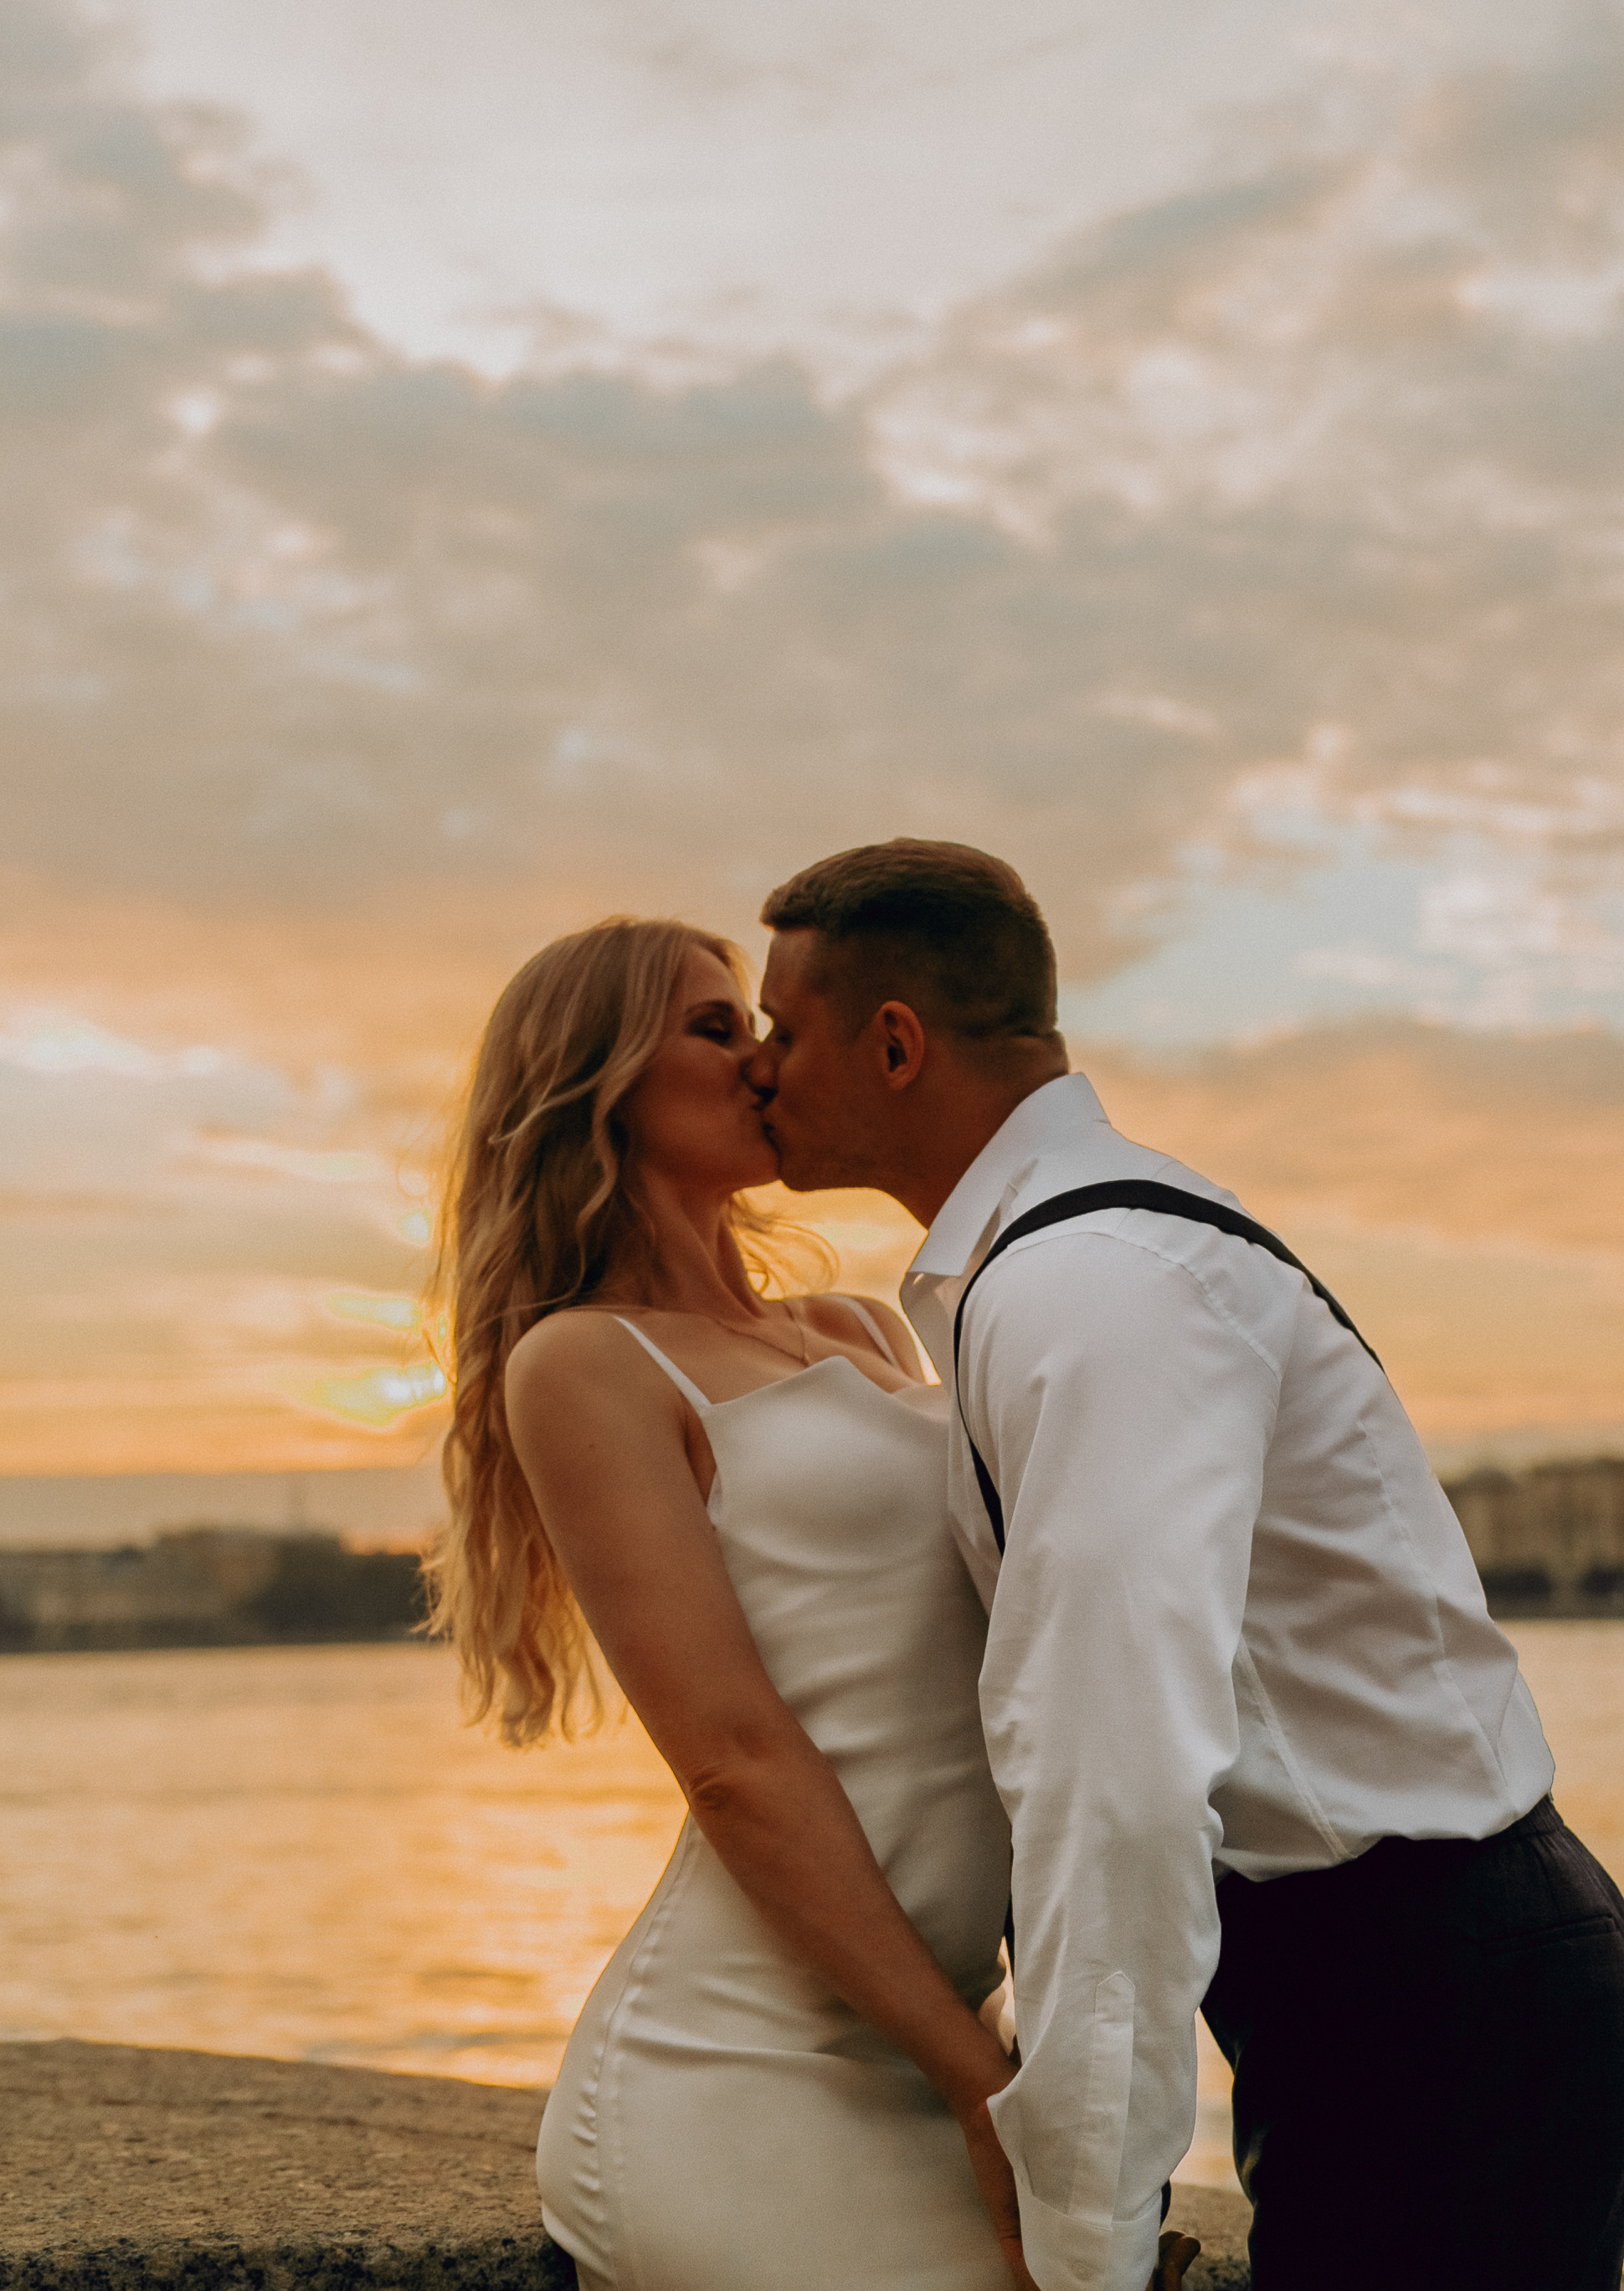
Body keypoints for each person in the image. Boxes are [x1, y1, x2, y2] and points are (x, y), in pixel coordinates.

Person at [749, 837, 1624, 2291]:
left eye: (782, 1031)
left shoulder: (1092, 1287)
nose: (758, 1068)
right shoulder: (1073, 1261)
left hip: (1438, 2013)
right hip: (1401, 1993)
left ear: (898, 1044)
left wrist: (1083, 2239)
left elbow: (1113, 1771)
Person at [426, 916, 1202, 2291]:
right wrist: (982, 2087)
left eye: (764, 1028)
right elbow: (733, 1761)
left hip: (949, 2040)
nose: (765, 1062)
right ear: (600, 1083)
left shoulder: (866, 1326)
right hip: (747, 2069)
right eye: (716, 1028)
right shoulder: (585, 1365)